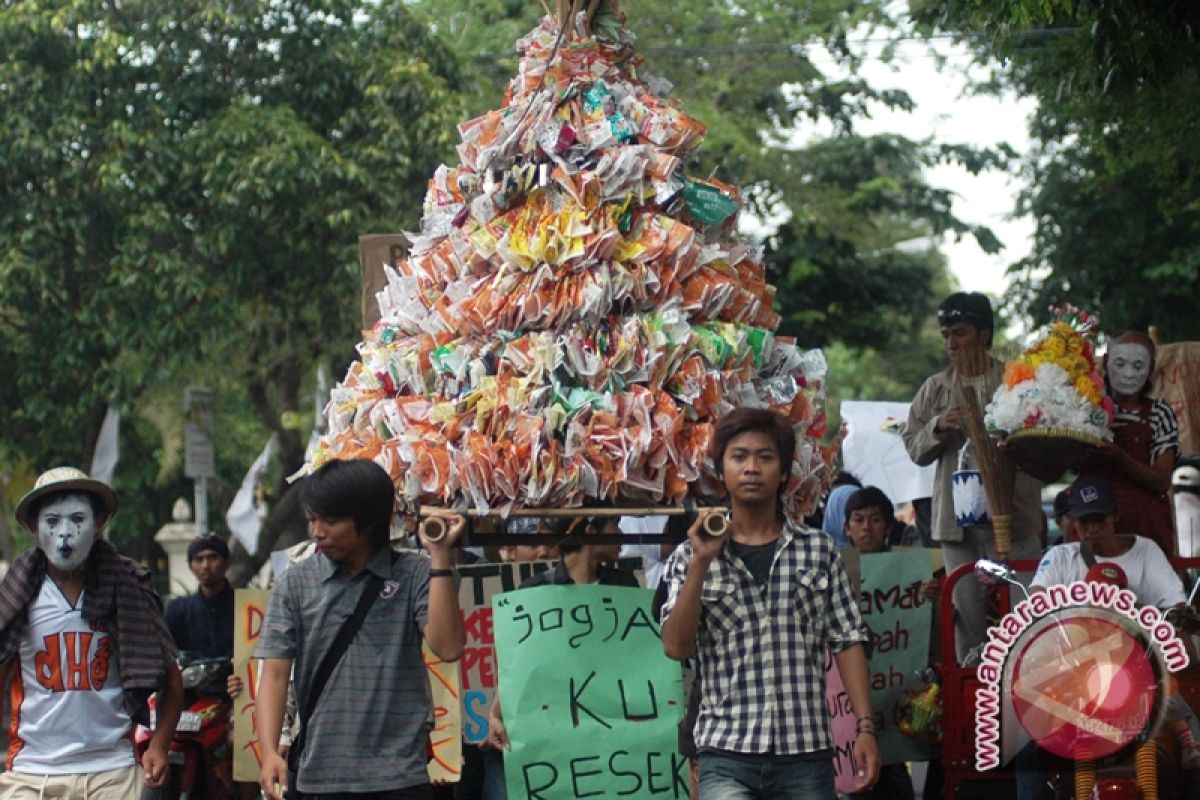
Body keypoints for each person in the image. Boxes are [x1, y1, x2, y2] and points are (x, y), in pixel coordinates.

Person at [661, 407, 880, 799]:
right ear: (722, 471)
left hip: (805, 753)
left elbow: (847, 642)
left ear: (782, 472)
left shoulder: (818, 551)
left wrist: (865, 728)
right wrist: (701, 562)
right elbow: (675, 646)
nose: (751, 468)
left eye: (764, 457)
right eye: (739, 457)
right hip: (726, 751)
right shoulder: (689, 555)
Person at [255, 458, 466, 800]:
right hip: (319, 778)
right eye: (312, 520)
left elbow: (448, 647)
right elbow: (275, 676)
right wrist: (267, 752)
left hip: (399, 778)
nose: (317, 531)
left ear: (368, 522)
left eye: (331, 520)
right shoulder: (294, 582)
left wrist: (440, 558)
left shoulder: (415, 574)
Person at [0, 467, 182, 798]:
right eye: (52, 522)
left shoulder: (127, 590)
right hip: (31, 772)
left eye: (77, 519)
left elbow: (171, 679)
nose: (65, 534)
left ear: (97, 524)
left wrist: (159, 745)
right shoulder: (16, 598)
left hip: (112, 771)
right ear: (34, 529)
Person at [1019, 475, 1189, 799]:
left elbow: (1174, 603)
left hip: (1137, 672)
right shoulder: (1060, 558)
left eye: (1099, 519)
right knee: (1028, 742)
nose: (1092, 528)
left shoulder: (1145, 552)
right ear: (1072, 523)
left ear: (1115, 517)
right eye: (1085, 521)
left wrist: (1162, 615)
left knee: (1190, 738)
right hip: (1071, 676)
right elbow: (1036, 603)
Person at [903, 291, 1043, 662]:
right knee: (967, 621)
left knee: (1026, 617)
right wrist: (937, 426)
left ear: (984, 335)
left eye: (959, 333)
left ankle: (1023, 699)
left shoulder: (1016, 383)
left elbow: (1043, 449)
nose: (950, 343)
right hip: (957, 526)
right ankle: (973, 706)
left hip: (1014, 519)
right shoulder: (934, 388)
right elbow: (914, 448)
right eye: (945, 334)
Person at [1078, 330, 1180, 556]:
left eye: (1138, 366)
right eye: (1120, 363)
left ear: (1151, 368)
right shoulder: (1083, 409)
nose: (1128, 374)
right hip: (1093, 523)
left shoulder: (1159, 413)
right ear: (1105, 362)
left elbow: (1162, 481)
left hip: (1145, 528)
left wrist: (1119, 456)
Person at [166, 533, 234, 690]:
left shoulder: (245, 608)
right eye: (199, 559)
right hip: (191, 698)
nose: (205, 565)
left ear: (226, 563)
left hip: (237, 695)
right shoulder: (177, 611)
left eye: (213, 557)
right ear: (190, 566)